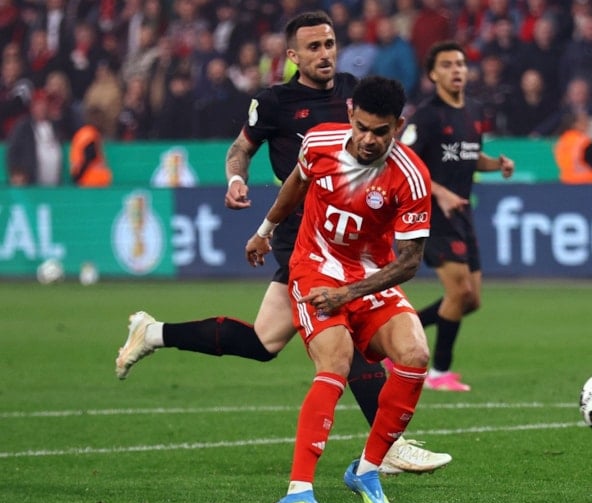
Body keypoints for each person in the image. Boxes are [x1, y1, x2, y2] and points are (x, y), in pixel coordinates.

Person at [115, 11, 450, 476]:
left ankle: (153, 333)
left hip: (347, 238)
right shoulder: (274, 102)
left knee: (263, 340)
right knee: (345, 331)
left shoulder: (355, 93)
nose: (325, 54)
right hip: (304, 236)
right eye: (313, 47)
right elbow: (241, 149)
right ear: (293, 56)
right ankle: (389, 446)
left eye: (329, 44)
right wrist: (237, 181)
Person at [246, 75, 432, 503]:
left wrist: (349, 292)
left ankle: (367, 469)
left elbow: (409, 262)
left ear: (399, 126)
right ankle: (298, 491)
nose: (368, 139)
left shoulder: (411, 176)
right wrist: (265, 230)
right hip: (314, 267)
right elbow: (295, 184)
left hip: (369, 278)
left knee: (415, 354)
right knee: (336, 359)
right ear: (350, 114)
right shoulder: (318, 142)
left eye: (380, 132)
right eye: (362, 127)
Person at [398, 41, 515, 392]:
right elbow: (403, 163)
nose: (457, 70)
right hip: (431, 215)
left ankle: (395, 335)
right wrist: (440, 192)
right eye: (447, 65)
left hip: (462, 214)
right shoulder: (426, 115)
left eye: (460, 64)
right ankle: (438, 373)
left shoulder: (474, 110)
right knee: (459, 291)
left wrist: (496, 164)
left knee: (471, 300)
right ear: (433, 75)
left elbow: (469, 155)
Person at [553, 111, 592, 184]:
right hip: (589, 180)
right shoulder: (583, 141)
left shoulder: (561, 141)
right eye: (584, 122)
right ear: (575, 124)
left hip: (567, 181)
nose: (588, 125)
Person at [70, 106, 112, 187]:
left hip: (87, 180)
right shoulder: (90, 134)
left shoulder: (83, 133)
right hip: (92, 181)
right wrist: (79, 176)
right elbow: (89, 156)